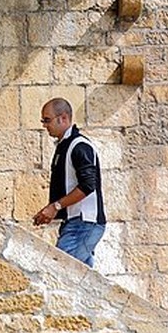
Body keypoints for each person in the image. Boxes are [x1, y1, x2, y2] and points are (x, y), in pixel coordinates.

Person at [32, 97, 106, 268]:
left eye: (47, 120)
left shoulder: (79, 146)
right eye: (43, 120)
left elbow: (88, 185)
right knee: (81, 284)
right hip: (75, 224)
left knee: (59, 272)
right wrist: (50, 211)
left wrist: (55, 207)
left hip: (84, 224)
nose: (44, 125)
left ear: (63, 118)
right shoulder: (65, 146)